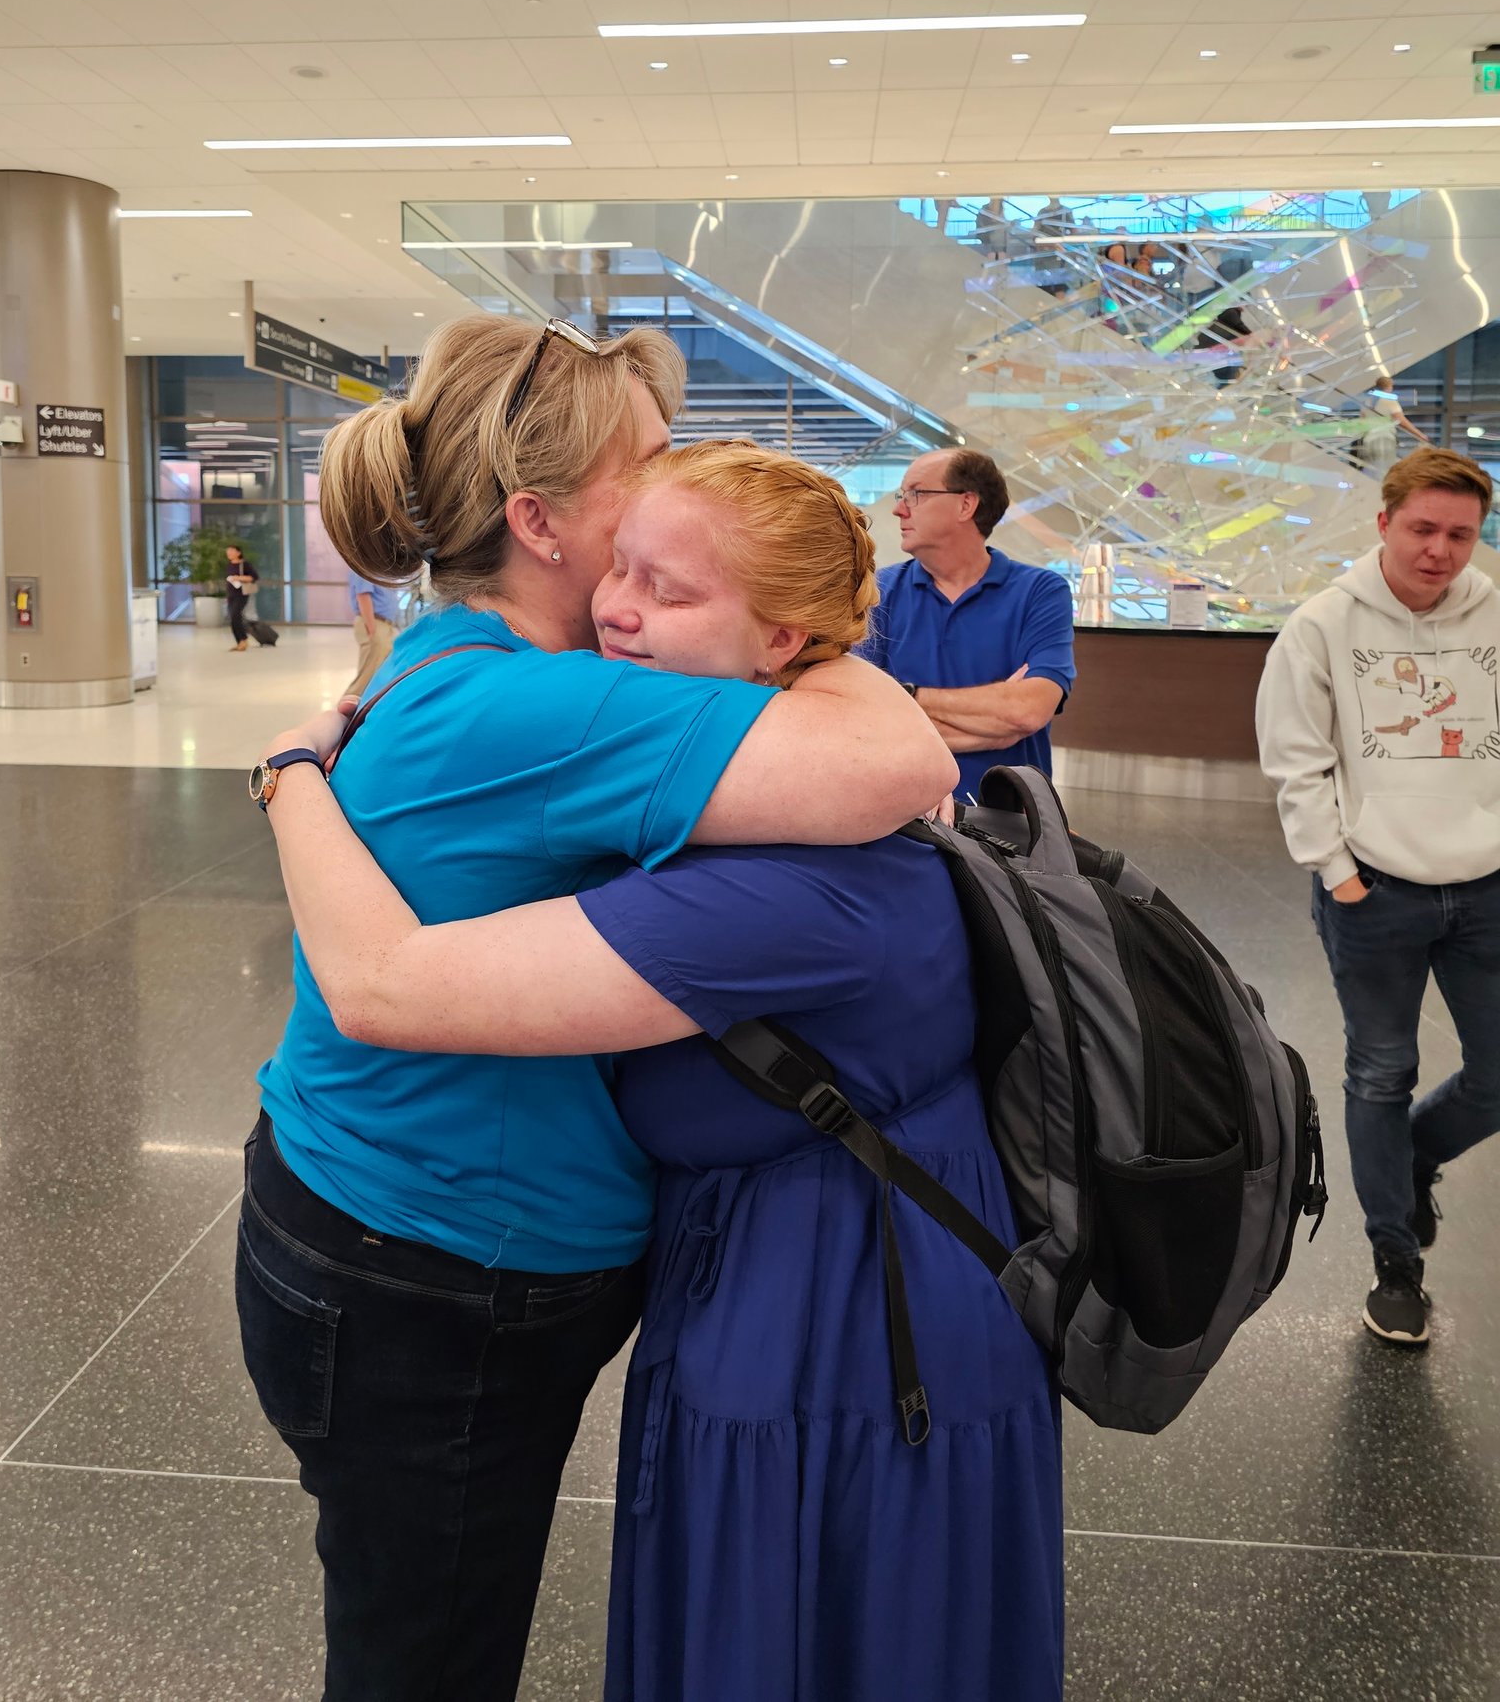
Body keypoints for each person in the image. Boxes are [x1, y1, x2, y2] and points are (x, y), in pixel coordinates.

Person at [258, 441, 1064, 1702]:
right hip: (837, 1268)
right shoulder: (762, 792)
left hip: (837, 1316)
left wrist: (288, 775)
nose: (614, 611)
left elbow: (383, 985)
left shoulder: (780, 890)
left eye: (669, 591)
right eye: (620, 567)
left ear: (782, 643)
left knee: (797, 1631)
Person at [1256, 447, 1500, 1350]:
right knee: (1380, 1071)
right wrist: (1337, 870)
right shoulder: (1323, 625)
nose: (1440, 550)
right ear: (1385, 523)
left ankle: (1414, 1154)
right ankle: (1396, 1261)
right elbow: (1296, 758)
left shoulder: (1494, 616)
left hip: (1487, 887)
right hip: (1375, 893)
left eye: (1461, 535)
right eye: (1423, 529)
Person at [860, 447, 1075, 804]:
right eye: (902, 496)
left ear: (966, 504)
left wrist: (905, 696)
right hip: (900, 814)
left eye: (916, 494)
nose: (899, 509)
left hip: (1010, 817)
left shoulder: (1041, 591)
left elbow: (1028, 710)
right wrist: (995, 725)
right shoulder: (878, 591)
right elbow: (859, 715)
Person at [343, 567, 401, 701]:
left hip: (386, 624)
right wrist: (372, 629)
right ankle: (348, 707)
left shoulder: (379, 569)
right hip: (374, 623)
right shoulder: (364, 567)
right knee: (368, 675)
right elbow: (363, 596)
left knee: (381, 671)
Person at [1357, 373, 1431, 475]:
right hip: (1385, 440)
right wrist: (1420, 435)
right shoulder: (1390, 402)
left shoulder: (1367, 402)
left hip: (1368, 441)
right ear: (1389, 386)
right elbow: (1402, 421)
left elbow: (1362, 422)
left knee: (1372, 470)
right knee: (1385, 472)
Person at [225, 542, 257, 651]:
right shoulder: (229, 565)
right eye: (228, 551)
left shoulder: (244, 564)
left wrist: (238, 578)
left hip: (241, 594)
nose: (229, 553)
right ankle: (240, 642)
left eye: (231, 551)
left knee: (235, 616)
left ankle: (243, 640)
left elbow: (254, 577)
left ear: (238, 553)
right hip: (231, 595)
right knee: (232, 618)